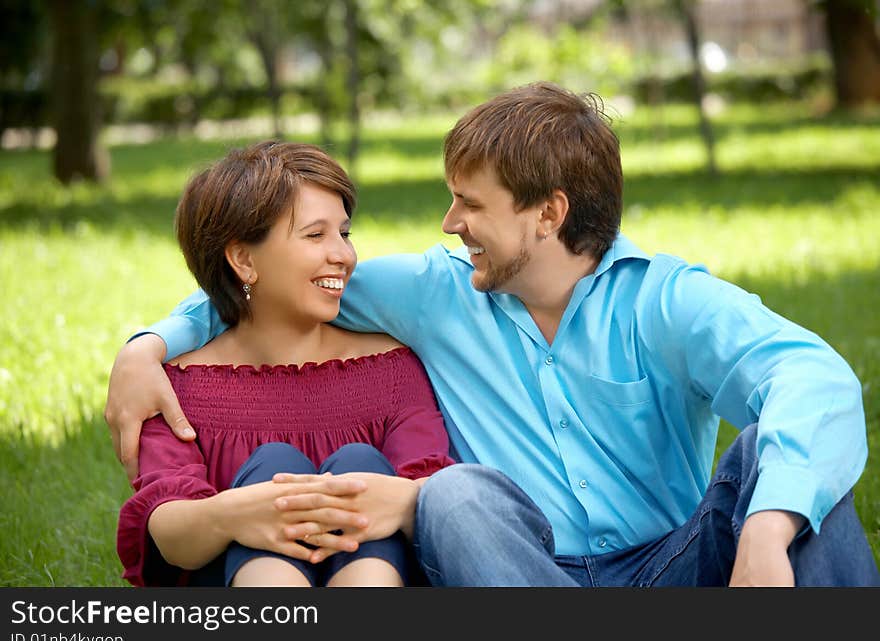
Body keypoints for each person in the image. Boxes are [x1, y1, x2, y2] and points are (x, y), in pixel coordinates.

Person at [106, 82, 879, 587]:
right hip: (514, 568)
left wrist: (768, 534)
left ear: (548, 212)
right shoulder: (437, 294)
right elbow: (281, 284)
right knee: (456, 493)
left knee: (780, 466)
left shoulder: (665, 302)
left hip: (670, 567)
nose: (450, 225)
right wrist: (150, 344)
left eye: (469, 203)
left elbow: (812, 380)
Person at [115, 140, 454, 588]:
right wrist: (240, 514)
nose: (344, 255)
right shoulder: (176, 386)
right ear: (243, 259)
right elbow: (170, 535)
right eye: (316, 235)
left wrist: (351, 501)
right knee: (273, 464)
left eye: (345, 234)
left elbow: (434, 499)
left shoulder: (390, 367)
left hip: (375, 568)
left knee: (359, 462)